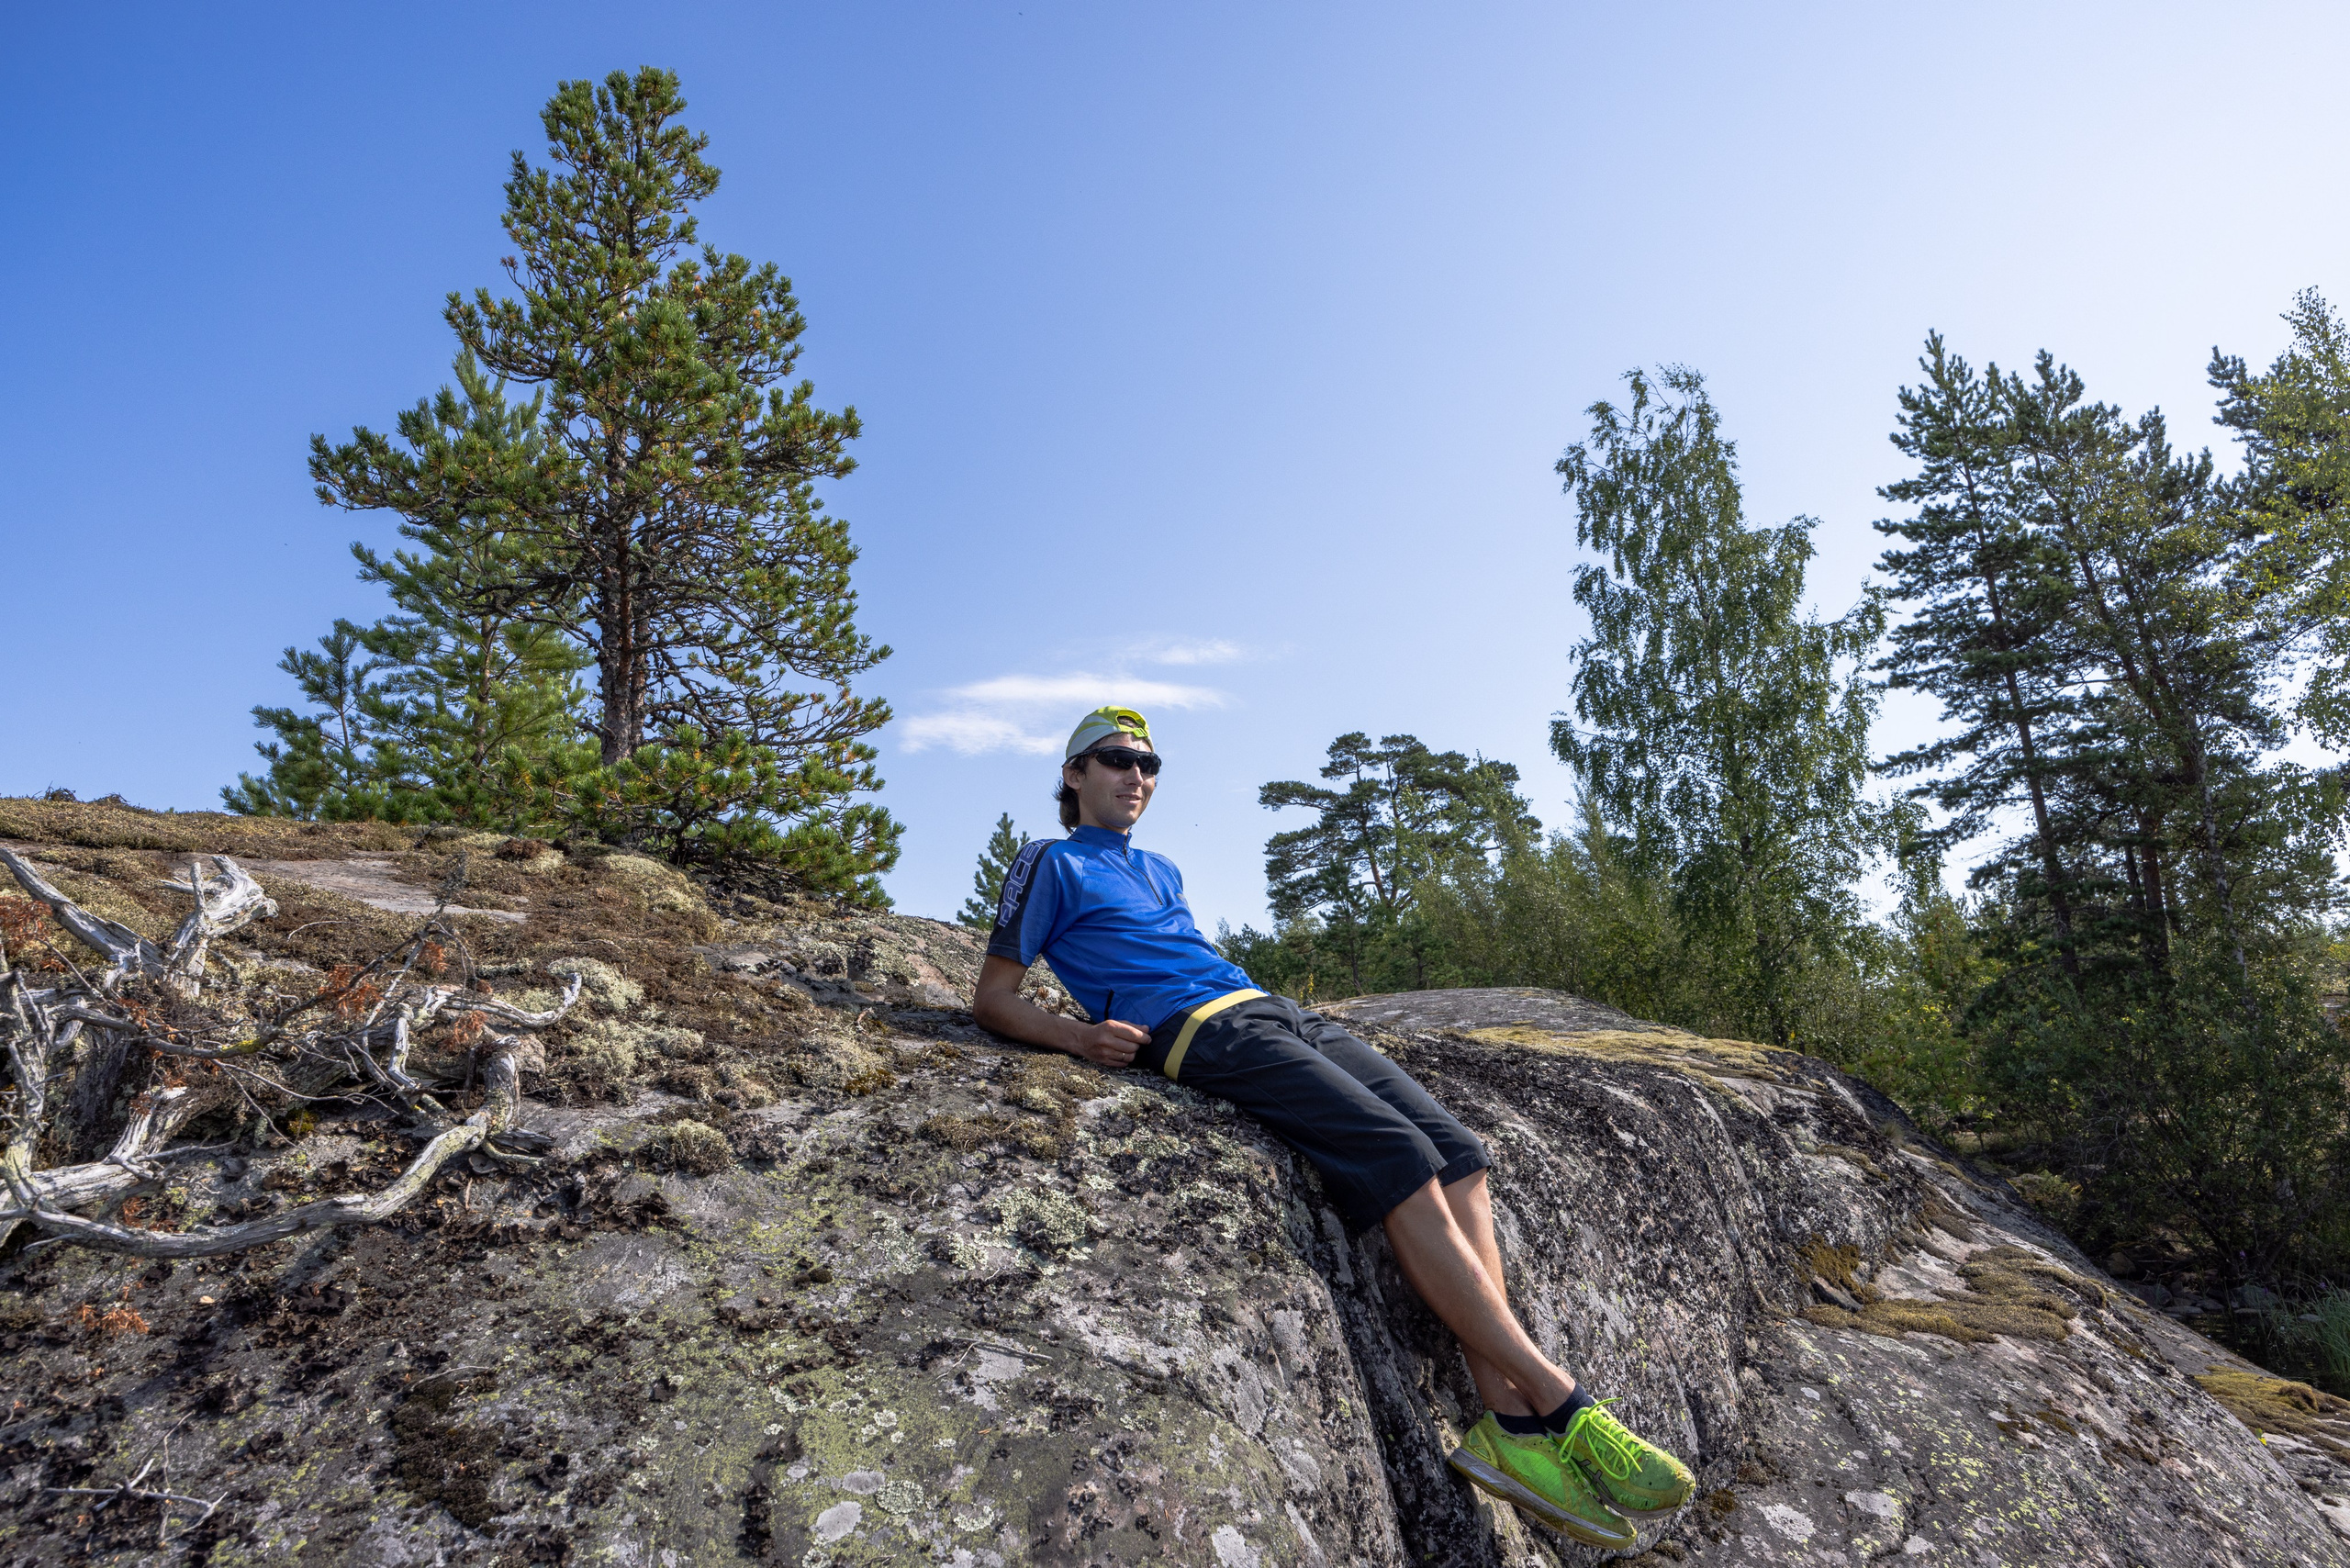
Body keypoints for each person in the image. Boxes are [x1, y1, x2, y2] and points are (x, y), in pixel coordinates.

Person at [971, 706, 1695, 1549]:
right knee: (1395, 1157)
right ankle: (1559, 1401)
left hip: (1269, 1008)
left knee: (1458, 1154)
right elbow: (991, 997)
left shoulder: (1161, 869)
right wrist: (1079, 1034)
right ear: (1073, 775)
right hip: (1198, 1030)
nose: (1137, 776)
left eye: (1149, 764)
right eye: (1116, 761)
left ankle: (1507, 1425)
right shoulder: (1049, 862)